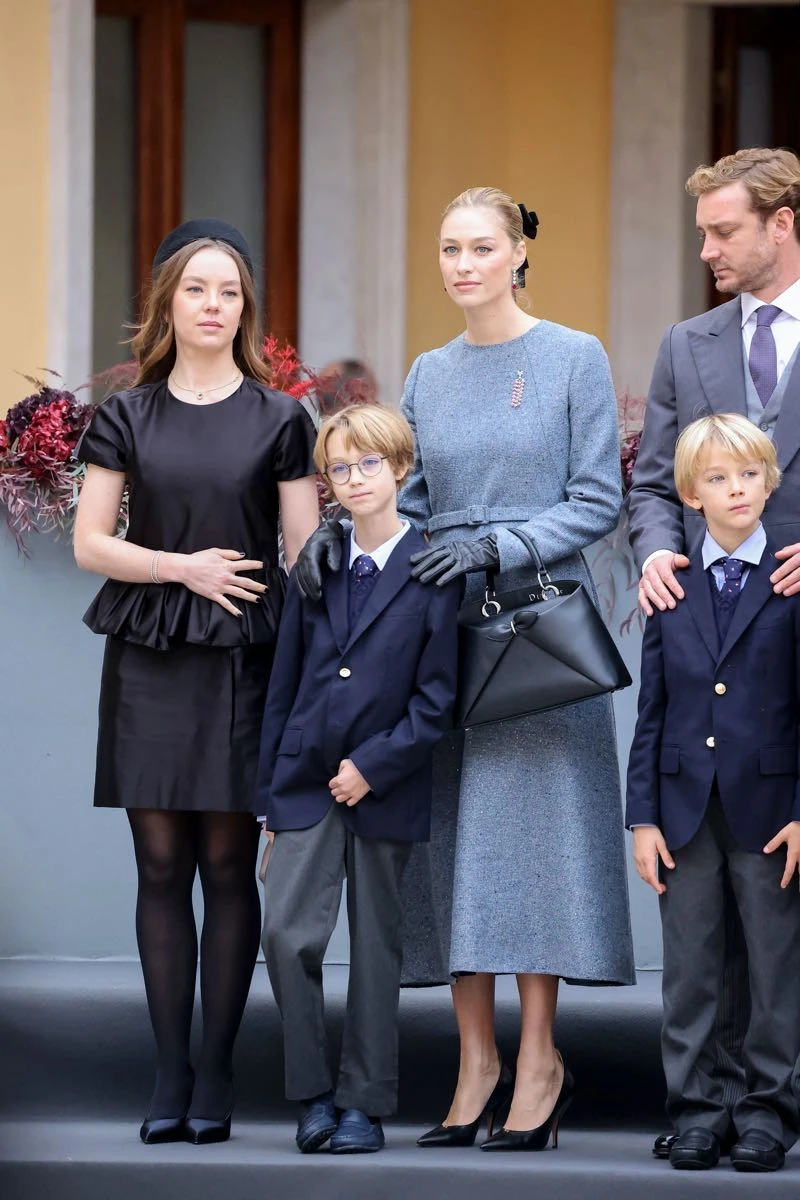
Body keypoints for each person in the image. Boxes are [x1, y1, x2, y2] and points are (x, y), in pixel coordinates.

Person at [296, 187, 635, 1151]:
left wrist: (501, 544)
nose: (462, 265)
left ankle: (540, 1063)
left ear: (520, 253)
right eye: (448, 248)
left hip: (537, 644)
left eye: (481, 247)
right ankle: (475, 1060)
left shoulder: (574, 356)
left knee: (538, 854)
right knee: (454, 852)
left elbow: (597, 499)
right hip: (445, 639)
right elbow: (414, 489)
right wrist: (335, 527)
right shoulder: (429, 371)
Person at [73, 219, 319, 1145]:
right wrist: (184, 568)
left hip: (245, 664)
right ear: (167, 304)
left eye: (229, 292)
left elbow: (303, 561)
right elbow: (91, 542)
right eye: (197, 291)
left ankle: (216, 1073)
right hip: (150, 658)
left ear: (245, 307)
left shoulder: (282, 417)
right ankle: (168, 1071)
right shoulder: (127, 414)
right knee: (159, 864)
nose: (214, 306)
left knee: (225, 865)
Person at [627, 146, 800, 1158]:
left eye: (723, 231)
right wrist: (656, 552)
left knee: (775, 932)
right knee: (700, 932)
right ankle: (704, 1104)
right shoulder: (683, 346)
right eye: (701, 232)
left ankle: (770, 1104)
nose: (705, 251)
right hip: (703, 634)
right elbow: (651, 483)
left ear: (783, 223)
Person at [257, 404, 460, 1154]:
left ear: (400, 469)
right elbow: (285, 685)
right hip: (306, 781)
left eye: (368, 463)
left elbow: (438, 698)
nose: (352, 479)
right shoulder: (319, 562)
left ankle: (364, 1104)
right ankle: (312, 1093)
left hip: (385, 785)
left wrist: (373, 767)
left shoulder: (434, 570)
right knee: (285, 933)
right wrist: (272, 795)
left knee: (377, 950)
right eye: (339, 468)